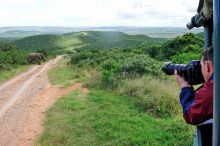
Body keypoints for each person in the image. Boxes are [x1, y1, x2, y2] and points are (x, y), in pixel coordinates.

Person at [175, 47, 213, 146]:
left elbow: (191, 115)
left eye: (201, 66)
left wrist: (185, 87)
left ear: (208, 66)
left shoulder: (213, 89)